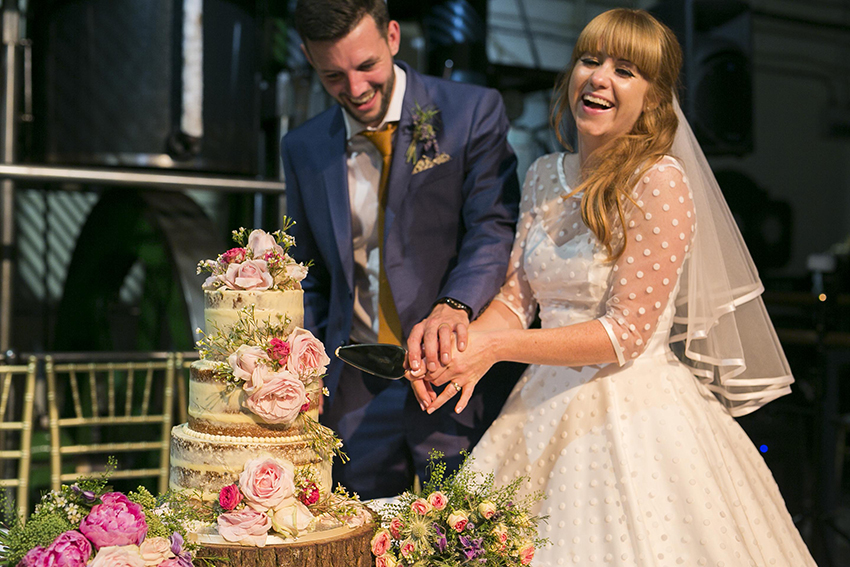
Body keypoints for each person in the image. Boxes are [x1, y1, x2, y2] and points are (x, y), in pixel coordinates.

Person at [408, 8, 817, 566]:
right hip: (537, 404)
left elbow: (625, 334)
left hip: (634, 416)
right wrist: (461, 348)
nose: (599, 77)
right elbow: (517, 299)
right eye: (590, 60)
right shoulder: (543, 174)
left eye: (625, 70)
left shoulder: (660, 181)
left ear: (652, 98)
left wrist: (496, 348)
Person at [281, 0, 522, 499]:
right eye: (333, 76)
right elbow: (310, 274)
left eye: (367, 66)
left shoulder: (470, 112)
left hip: (456, 377)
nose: (354, 89)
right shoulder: (303, 147)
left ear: (392, 37)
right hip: (355, 388)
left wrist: (454, 307)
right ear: (308, 57)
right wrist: (308, 370)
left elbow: (493, 228)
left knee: (465, 537)